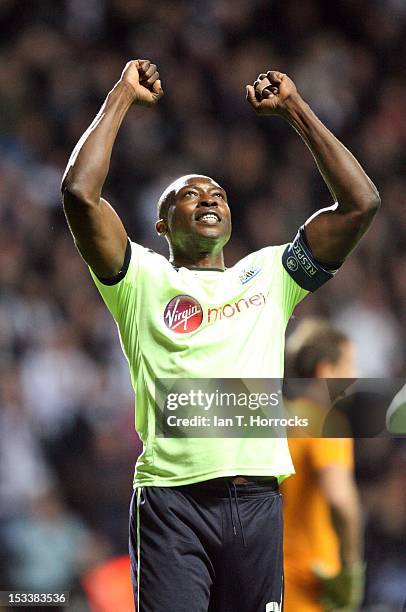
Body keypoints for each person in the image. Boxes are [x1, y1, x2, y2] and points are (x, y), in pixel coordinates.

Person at [61, 59, 380, 611]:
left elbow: (360, 204)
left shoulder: (269, 274)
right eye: (190, 194)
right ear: (162, 224)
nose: (208, 198)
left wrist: (296, 110)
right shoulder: (139, 279)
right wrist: (121, 95)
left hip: (257, 504)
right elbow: (79, 195)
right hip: (172, 505)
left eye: (218, 194)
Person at [282, 319, 364, 611]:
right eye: (349, 366)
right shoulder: (326, 423)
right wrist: (351, 570)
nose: (355, 377)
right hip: (311, 590)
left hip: (266, 583)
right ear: (326, 371)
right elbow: (340, 500)